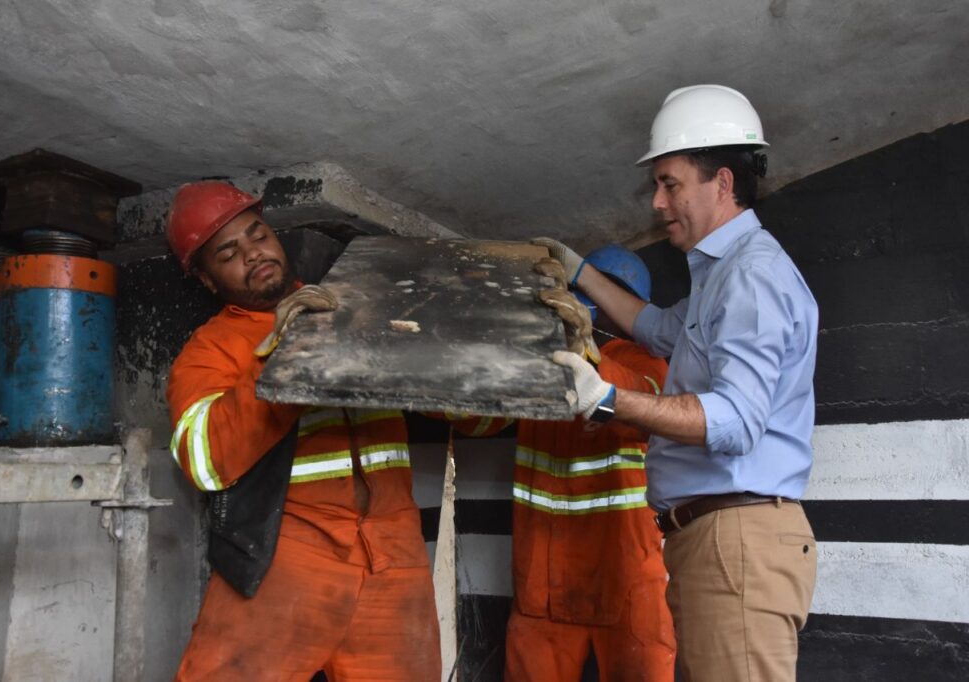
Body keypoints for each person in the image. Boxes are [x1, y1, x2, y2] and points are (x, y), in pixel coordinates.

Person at [538, 84, 818, 681]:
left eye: (670, 184)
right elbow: (660, 328)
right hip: (717, 539)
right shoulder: (723, 275)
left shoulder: (751, 276)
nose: (658, 203)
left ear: (721, 182)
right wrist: (580, 271)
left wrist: (609, 401)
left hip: (736, 539)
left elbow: (737, 422)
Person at [164, 180, 440, 681]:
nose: (253, 254)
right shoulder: (209, 351)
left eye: (257, 235)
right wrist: (279, 352)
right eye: (229, 253)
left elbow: (473, 410)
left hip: (394, 553)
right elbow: (203, 462)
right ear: (207, 280)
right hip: (289, 553)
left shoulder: (356, 311)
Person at [455, 245, 676, 682]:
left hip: (626, 577)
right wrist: (470, 360)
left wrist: (587, 350)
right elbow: (476, 422)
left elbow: (643, 399)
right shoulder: (541, 364)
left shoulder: (649, 363)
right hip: (543, 584)